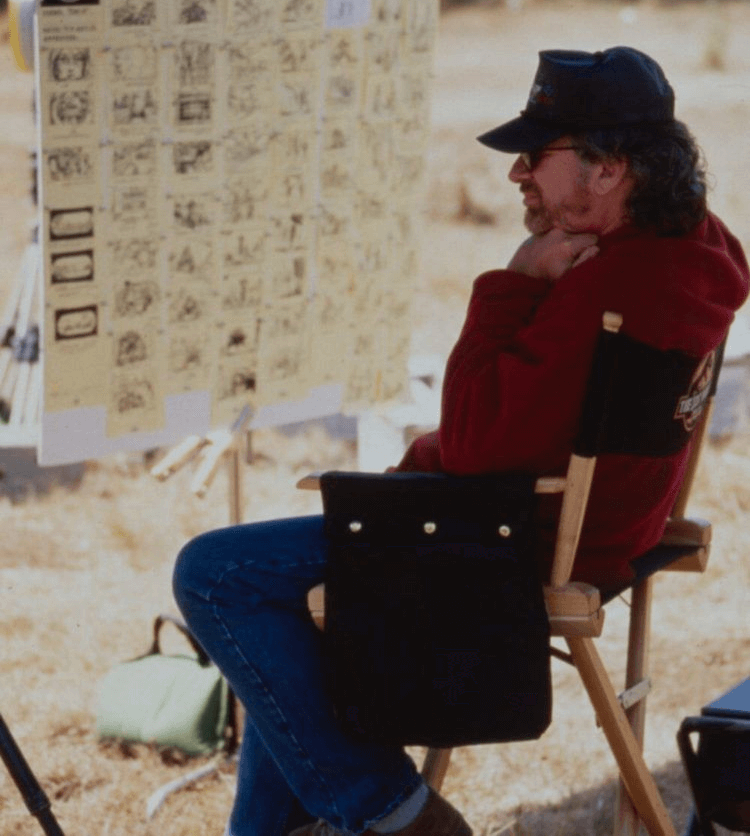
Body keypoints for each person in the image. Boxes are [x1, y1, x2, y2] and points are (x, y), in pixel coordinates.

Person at [173, 46, 749, 836]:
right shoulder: (706, 249)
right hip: (612, 527)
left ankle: (395, 810)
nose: (517, 174)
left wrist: (512, 282)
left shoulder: (602, 285)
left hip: (511, 536)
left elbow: (476, 446)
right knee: (287, 620)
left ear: (609, 168)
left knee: (215, 575)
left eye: (536, 155)